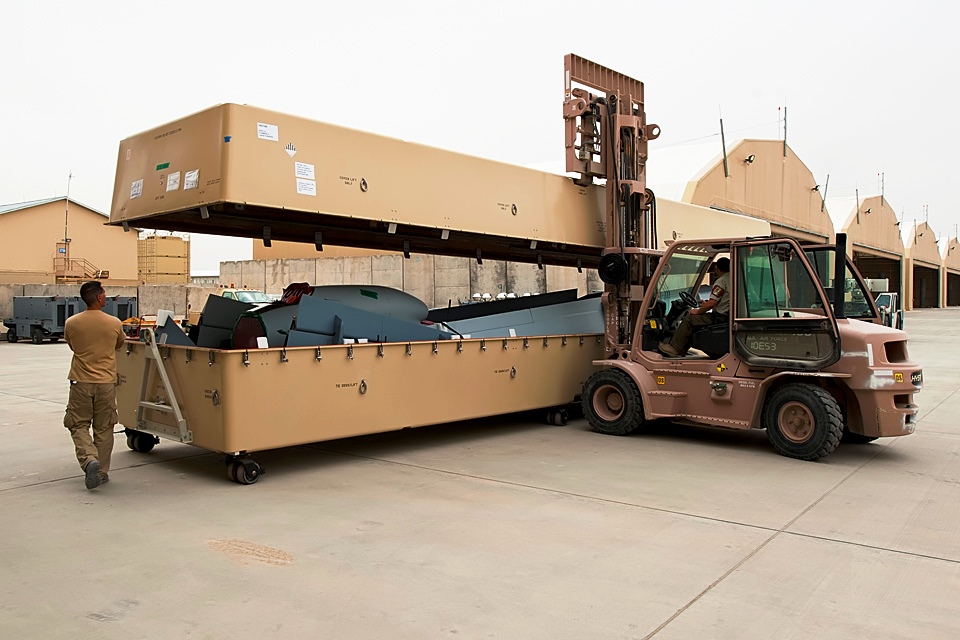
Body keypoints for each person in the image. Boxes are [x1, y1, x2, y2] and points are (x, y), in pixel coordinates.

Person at [63, 281, 126, 489]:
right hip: (106, 383)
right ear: (99, 298)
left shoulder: (71, 323)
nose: (106, 296)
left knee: (78, 424)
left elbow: (72, 346)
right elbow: (119, 344)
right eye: (105, 293)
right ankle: (101, 472)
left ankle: (89, 459)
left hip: (80, 383)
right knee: (104, 427)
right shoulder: (114, 323)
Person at [659, 257, 731, 357]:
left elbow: (712, 303)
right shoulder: (734, 279)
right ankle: (682, 350)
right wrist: (705, 303)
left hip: (719, 317)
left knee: (690, 319)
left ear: (717, 269)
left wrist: (697, 311)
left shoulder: (721, 281)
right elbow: (720, 301)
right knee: (695, 321)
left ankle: (674, 348)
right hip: (726, 316)